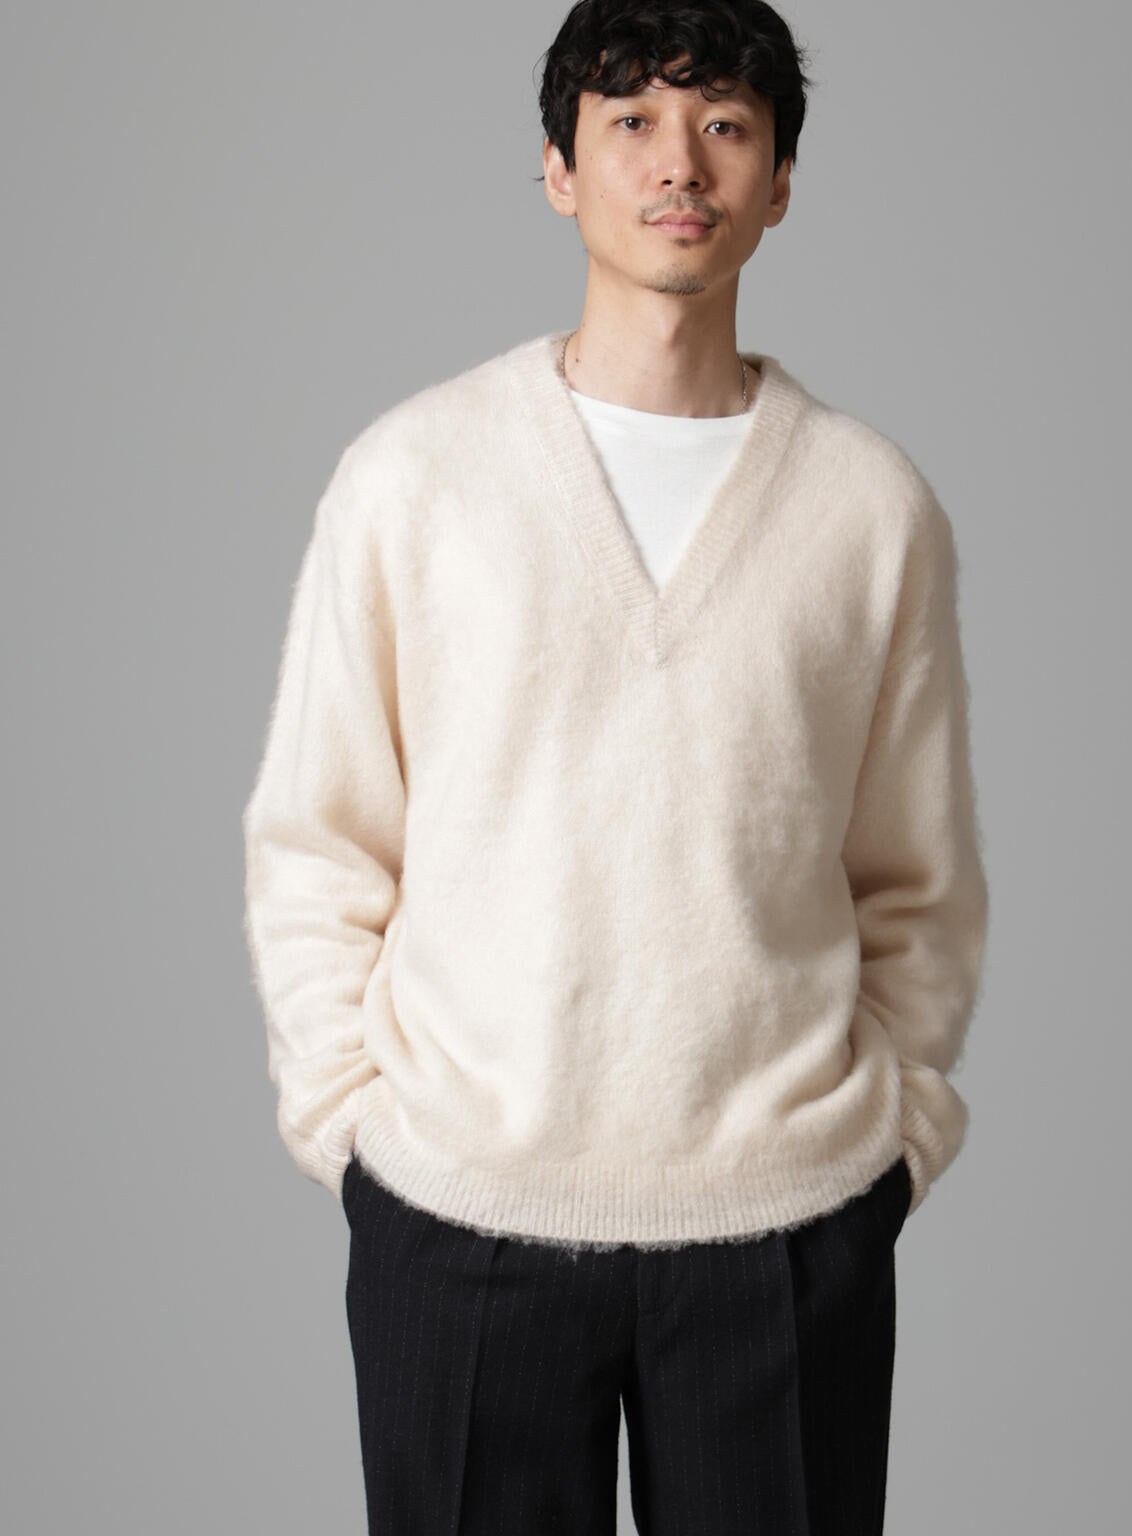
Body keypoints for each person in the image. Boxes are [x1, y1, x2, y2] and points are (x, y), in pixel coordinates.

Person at [241, 1, 989, 1530]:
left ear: (781, 183)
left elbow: (916, 875)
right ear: (557, 169)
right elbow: (319, 838)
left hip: (785, 1222)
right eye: (631, 120)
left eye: (726, 125)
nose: (680, 165)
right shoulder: (415, 479)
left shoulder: (870, 509)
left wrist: (891, 1150)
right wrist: (353, 1128)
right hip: (463, 1212)